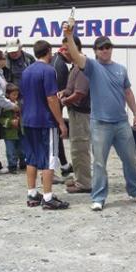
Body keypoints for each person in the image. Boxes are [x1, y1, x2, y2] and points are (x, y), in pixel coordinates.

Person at [65, 28, 136, 211]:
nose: (105, 50)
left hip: (122, 122)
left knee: (130, 159)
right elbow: (76, 56)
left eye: (108, 47)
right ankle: (99, 197)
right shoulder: (92, 66)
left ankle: (134, 190)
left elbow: (128, 92)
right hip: (100, 123)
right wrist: (69, 36)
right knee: (99, 163)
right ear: (95, 51)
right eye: (101, 48)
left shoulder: (121, 69)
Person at [20, 40, 70, 210]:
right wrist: (61, 122)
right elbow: (51, 98)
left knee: (32, 158)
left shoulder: (26, 70)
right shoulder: (49, 71)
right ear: (48, 51)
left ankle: (32, 193)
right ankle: (48, 197)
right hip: (44, 120)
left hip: (28, 119)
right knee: (49, 158)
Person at [59, 36, 92, 194]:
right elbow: (72, 88)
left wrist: (65, 100)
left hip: (80, 114)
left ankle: (84, 183)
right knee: (77, 148)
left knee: (80, 148)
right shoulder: (75, 66)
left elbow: (80, 93)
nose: (62, 51)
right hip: (77, 113)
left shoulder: (81, 66)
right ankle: (81, 179)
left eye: (66, 48)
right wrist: (64, 92)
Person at [52, 42, 72, 176]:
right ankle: (58, 168)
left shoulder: (56, 61)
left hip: (53, 105)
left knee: (56, 137)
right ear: (65, 51)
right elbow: (59, 93)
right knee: (56, 137)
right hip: (54, 106)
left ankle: (64, 165)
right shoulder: (61, 66)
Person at [0, 83, 23, 173]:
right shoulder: (4, 107)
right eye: (13, 95)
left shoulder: (19, 104)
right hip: (9, 132)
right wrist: (10, 122)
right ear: (8, 95)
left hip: (19, 130)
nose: (16, 96)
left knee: (22, 148)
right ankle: (12, 165)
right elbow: (1, 119)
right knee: (11, 150)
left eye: (17, 94)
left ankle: (23, 162)